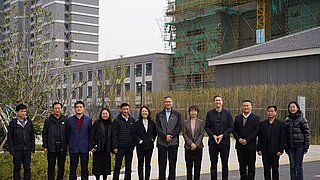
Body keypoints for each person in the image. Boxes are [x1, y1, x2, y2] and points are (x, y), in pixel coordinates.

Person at [205, 95, 233, 180]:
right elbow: (207, 127)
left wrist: (223, 135)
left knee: (225, 164)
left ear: (222, 102)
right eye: (216, 100)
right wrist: (212, 135)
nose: (218, 102)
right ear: (214, 102)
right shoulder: (210, 113)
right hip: (213, 142)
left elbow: (231, 127)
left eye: (219, 100)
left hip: (224, 142)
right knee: (213, 164)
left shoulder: (227, 113)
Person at [156, 96, 182, 180]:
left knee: (172, 165)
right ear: (164, 103)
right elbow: (157, 127)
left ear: (172, 103)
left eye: (169, 102)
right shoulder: (159, 115)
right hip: (162, 143)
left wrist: (171, 136)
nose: (168, 103)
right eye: (166, 102)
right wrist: (164, 136)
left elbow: (179, 127)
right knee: (162, 165)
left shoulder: (177, 114)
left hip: (173, 143)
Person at [233, 100, 260, 180]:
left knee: (251, 166)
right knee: (242, 166)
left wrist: (247, 140)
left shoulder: (256, 118)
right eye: (244, 105)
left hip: (251, 146)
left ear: (251, 107)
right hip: (240, 146)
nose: (246, 107)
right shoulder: (238, 118)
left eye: (247, 105)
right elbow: (234, 130)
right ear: (242, 107)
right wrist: (239, 139)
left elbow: (256, 131)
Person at [7, 104, 35, 180]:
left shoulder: (29, 122)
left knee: (27, 168)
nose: (23, 113)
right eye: (21, 111)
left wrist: (32, 148)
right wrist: (11, 150)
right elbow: (9, 137)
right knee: (17, 169)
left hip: (27, 150)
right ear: (17, 112)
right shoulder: (13, 123)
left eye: (25, 111)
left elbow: (32, 135)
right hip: (17, 150)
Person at [257, 105, 285, 180]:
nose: (270, 113)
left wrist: (281, 150)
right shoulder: (262, 124)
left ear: (276, 113)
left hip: (275, 150)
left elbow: (282, 138)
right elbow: (260, 137)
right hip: (265, 150)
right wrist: (259, 149)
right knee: (266, 169)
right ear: (266, 112)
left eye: (272, 111)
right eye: (268, 111)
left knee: (275, 169)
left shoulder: (280, 124)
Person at [42, 102, 68, 180]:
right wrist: (45, 146)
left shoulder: (66, 120)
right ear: (53, 109)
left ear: (61, 109)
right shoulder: (48, 121)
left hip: (62, 147)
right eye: (55, 108)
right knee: (51, 167)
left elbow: (68, 133)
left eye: (59, 108)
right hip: (51, 147)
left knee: (61, 168)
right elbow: (45, 134)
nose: (57, 110)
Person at [67, 101, 92, 180]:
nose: (79, 108)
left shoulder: (88, 120)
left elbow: (90, 134)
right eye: (77, 107)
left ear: (83, 109)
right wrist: (69, 145)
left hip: (84, 147)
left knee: (84, 168)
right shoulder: (70, 120)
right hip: (73, 147)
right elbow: (68, 134)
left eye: (80, 107)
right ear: (75, 109)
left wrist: (90, 146)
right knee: (72, 168)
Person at [284, 101, 310, 180]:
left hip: (300, 146)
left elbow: (306, 133)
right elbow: (285, 135)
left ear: (297, 108)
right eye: (290, 107)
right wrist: (285, 146)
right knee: (292, 166)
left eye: (293, 107)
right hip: (290, 146)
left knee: (298, 166)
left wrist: (306, 147)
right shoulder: (287, 120)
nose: (292, 108)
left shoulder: (302, 119)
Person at [112, 103, 137, 180]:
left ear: (129, 109)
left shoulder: (132, 120)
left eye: (127, 109)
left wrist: (133, 145)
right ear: (121, 110)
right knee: (117, 166)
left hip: (129, 147)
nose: (125, 111)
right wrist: (115, 146)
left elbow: (134, 133)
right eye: (124, 109)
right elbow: (114, 134)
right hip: (120, 147)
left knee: (128, 166)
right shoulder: (116, 120)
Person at [89, 107, 113, 180]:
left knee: (106, 167)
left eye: (106, 113)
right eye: (103, 113)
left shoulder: (111, 124)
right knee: (97, 167)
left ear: (109, 114)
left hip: (107, 149)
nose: (105, 115)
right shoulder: (97, 123)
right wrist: (91, 146)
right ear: (101, 114)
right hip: (98, 148)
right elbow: (91, 135)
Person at [183, 105, 205, 180]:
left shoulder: (201, 122)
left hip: (198, 147)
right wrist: (191, 144)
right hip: (188, 147)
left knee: (197, 166)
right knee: (189, 166)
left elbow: (202, 134)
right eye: (191, 111)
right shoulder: (185, 122)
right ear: (189, 112)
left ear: (197, 112)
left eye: (195, 111)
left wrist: (196, 144)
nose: (193, 112)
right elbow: (184, 134)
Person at [135, 106, 157, 180]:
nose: (144, 113)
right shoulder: (137, 123)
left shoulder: (152, 123)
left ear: (148, 112)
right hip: (140, 147)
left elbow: (155, 132)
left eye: (146, 111)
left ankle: (147, 178)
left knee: (148, 164)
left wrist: (153, 139)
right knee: (140, 164)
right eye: (143, 111)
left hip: (149, 146)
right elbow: (134, 134)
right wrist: (139, 140)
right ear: (141, 113)